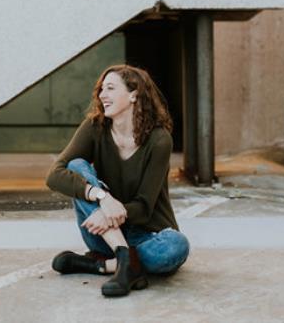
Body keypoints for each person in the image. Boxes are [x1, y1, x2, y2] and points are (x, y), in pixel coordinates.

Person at [46, 64, 190, 297]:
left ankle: (105, 264)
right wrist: (102, 197)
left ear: (134, 94)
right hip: (104, 236)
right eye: (101, 89)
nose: (102, 95)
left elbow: (144, 208)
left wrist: (108, 214)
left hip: (147, 235)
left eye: (111, 88)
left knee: (177, 246)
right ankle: (125, 258)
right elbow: (54, 175)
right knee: (76, 166)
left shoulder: (159, 140)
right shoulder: (94, 127)